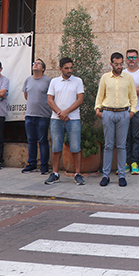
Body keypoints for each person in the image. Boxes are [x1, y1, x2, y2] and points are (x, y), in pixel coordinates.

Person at [95, 52, 137, 187]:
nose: (119, 66)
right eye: (116, 64)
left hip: (123, 113)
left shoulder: (128, 78)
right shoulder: (105, 77)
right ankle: (106, 175)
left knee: (121, 145)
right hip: (108, 112)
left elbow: (133, 96)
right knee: (108, 145)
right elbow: (100, 94)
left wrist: (132, 112)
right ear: (111, 64)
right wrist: (97, 108)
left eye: (121, 64)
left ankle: (122, 176)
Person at [45, 57, 85, 186]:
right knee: (56, 147)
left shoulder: (78, 81)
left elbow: (80, 100)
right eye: (66, 68)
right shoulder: (54, 82)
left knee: (75, 147)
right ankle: (55, 173)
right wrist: (59, 113)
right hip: (57, 119)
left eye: (71, 68)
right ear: (60, 68)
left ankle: (77, 174)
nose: (69, 70)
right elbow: (50, 100)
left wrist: (66, 112)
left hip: (73, 119)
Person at [22, 59, 52, 174]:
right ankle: (32, 163)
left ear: (43, 68)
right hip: (30, 115)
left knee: (43, 141)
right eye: (34, 63)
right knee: (31, 140)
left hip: (43, 116)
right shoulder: (28, 80)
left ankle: (44, 165)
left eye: (38, 63)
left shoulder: (48, 81)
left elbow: (51, 97)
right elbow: (26, 95)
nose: (35, 64)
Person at [124, 49, 139, 176]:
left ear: (137, 59)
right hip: (124, 110)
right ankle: (125, 164)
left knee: (137, 137)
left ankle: (134, 163)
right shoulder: (122, 73)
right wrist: (135, 89)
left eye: (133, 57)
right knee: (125, 138)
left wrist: (126, 91)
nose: (131, 60)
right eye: (129, 57)